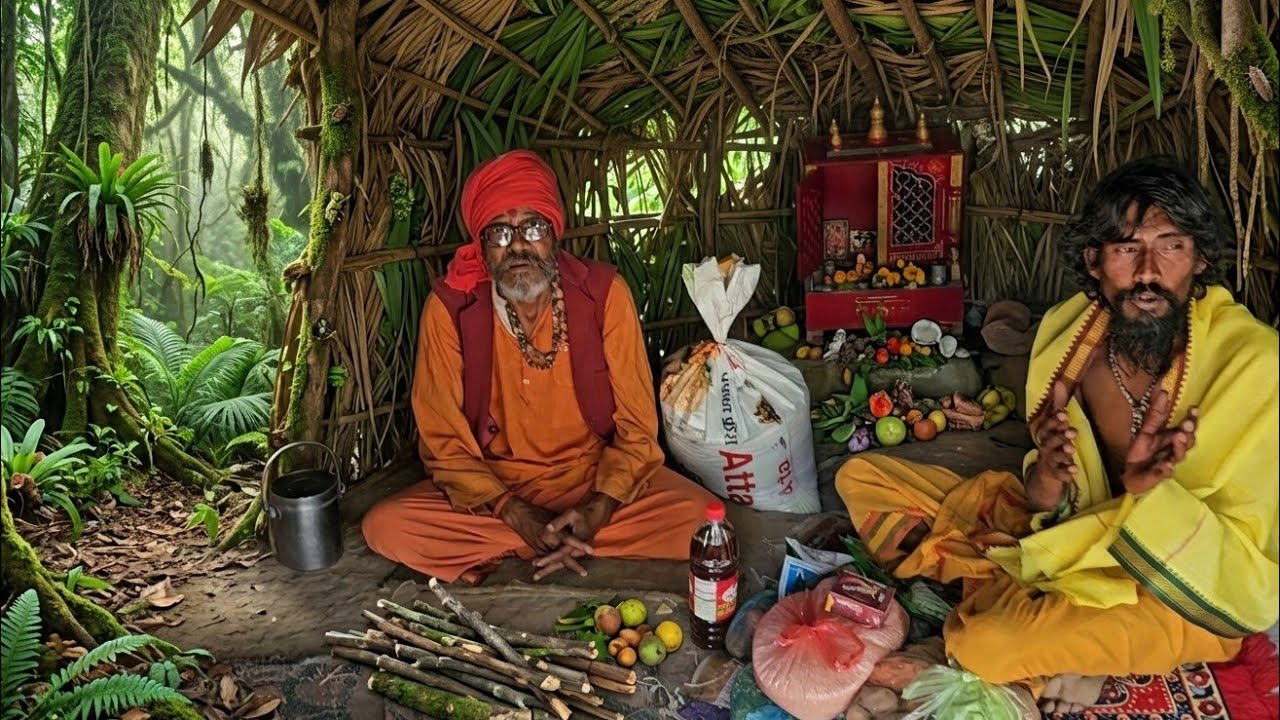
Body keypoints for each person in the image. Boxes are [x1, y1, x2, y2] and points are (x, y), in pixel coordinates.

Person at [835, 159, 1278, 714]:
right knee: (862, 476)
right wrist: (1046, 474)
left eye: (1171, 246)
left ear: (1200, 259)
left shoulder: (1254, 364)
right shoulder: (1070, 340)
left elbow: (1247, 558)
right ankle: (1055, 633)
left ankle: (1064, 647)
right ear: (1095, 261)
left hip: (1173, 594)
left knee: (981, 645)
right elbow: (1047, 503)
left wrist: (1150, 498)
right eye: (1125, 248)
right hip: (1072, 539)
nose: (1147, 271)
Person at [362, 149, 717, 585]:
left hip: (594, 480)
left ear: (553, 234)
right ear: (482, 245)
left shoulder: (604, 295)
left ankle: (552, 540)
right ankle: (555, 540)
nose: (517, 246)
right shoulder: (451, 309)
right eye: (499, 233)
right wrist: (514, 512)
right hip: (495, 491)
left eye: (532, 228)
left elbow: (638, 429)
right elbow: (443, 443)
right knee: (386, 527)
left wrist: (599, 507)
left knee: (705, 526)